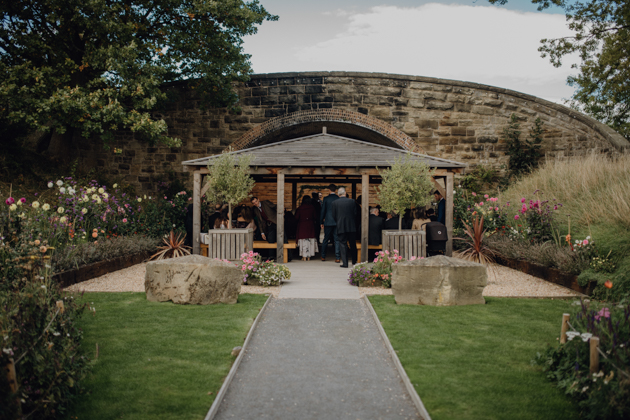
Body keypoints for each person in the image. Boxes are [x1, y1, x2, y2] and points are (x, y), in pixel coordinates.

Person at [331, 187, 357, 268]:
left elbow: (334, 215)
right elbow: (355, 213)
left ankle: (345, 263)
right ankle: (354, 261)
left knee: (342, 244)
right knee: (353, 244)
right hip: (351, 226)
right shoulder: (352, 201)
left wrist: (338, 221)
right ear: (345, 193)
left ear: (338, 194)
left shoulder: (334, 203)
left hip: (340, 225)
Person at [319, 184, 341, 262]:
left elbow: (323, 211)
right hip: (336, 221)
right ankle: (337, 257)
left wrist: (321, 221)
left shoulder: (326, 199)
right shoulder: (338, 198)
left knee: (326, 239)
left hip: (328, 221)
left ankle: (323, 256)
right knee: (337, 240)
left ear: (329, 190)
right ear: (335, 190)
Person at [295, 196, 319, 260]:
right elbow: (315, 216)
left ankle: (304, 256)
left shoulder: (300, 208)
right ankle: (309, 256)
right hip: (310, 225)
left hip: (302, 225)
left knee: (303, 240)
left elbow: (296, 217)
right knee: (310, 240)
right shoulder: (312, 207)